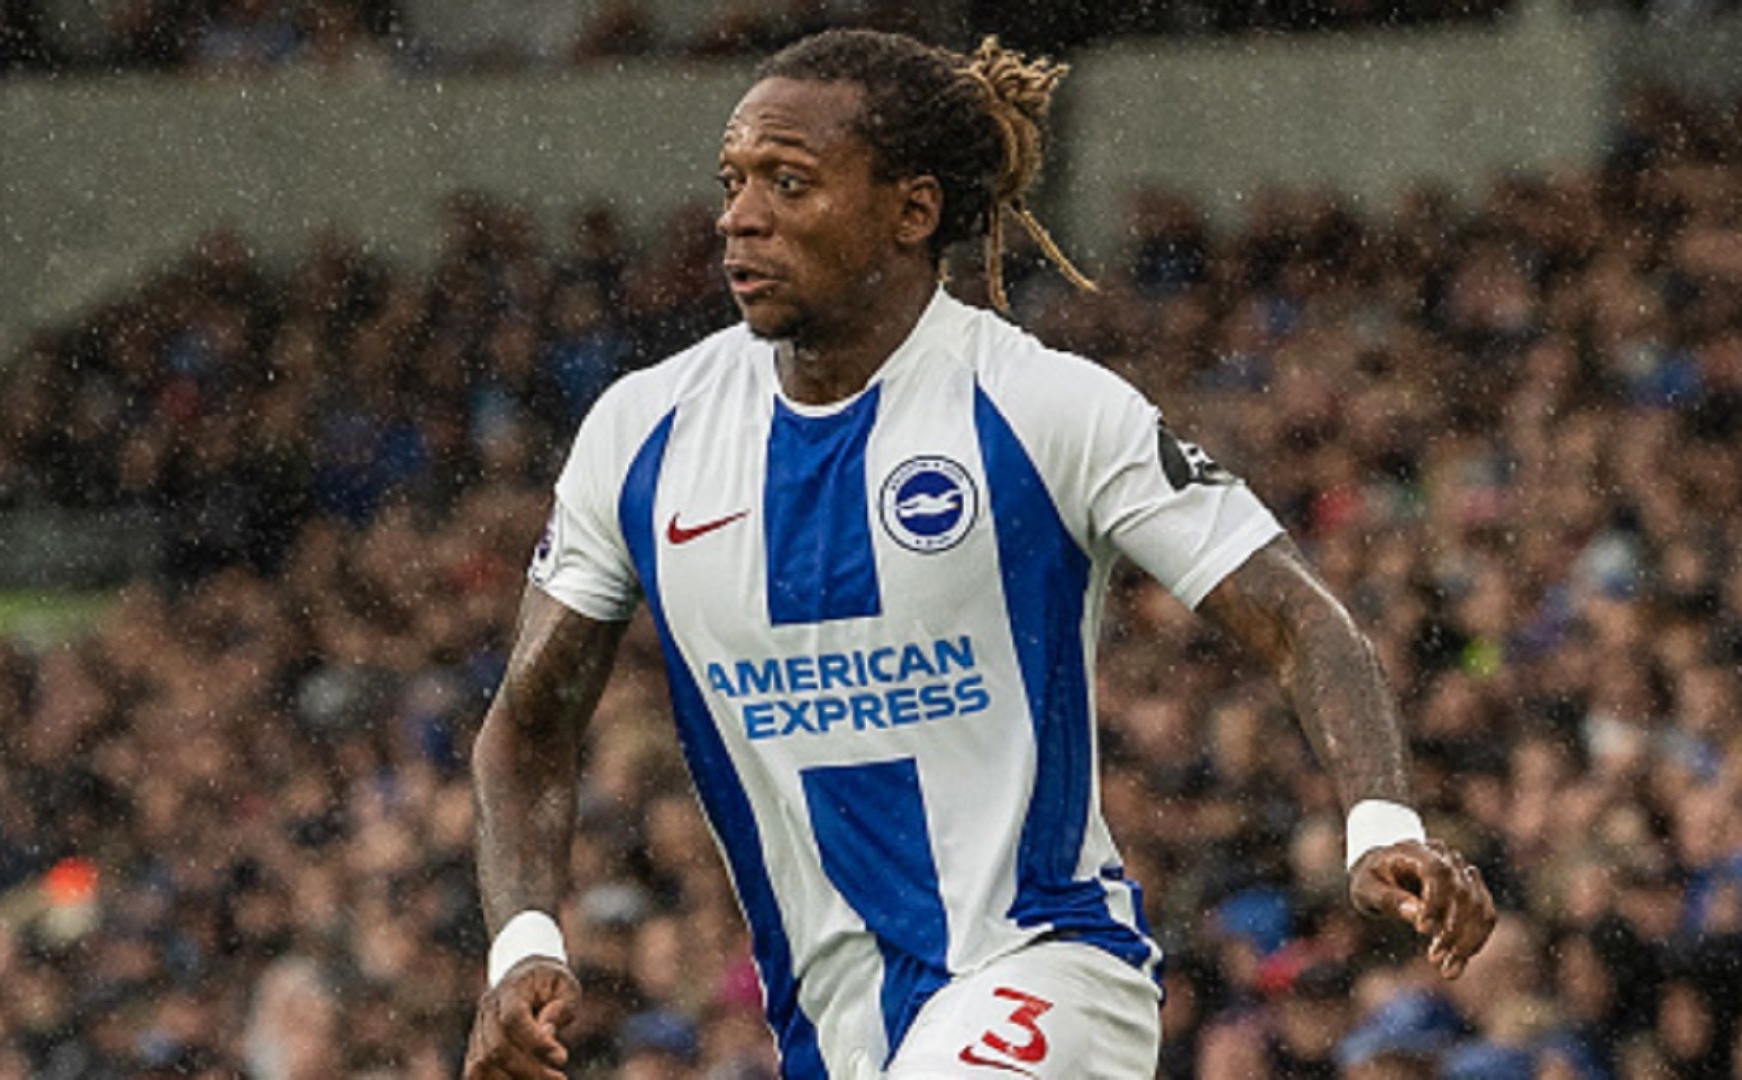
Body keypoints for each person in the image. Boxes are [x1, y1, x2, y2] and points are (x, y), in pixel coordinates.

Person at [465, 28, 1495, 1080]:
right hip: (835, 1028)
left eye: (789, 182)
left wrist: (1379, 822)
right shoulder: (641, 435)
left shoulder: (1045, 409)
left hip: (1049, 969)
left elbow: (1301, 618)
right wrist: (523, 945)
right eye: (733, 182)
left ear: (912, 211)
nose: (740, 215)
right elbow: (527, 728)